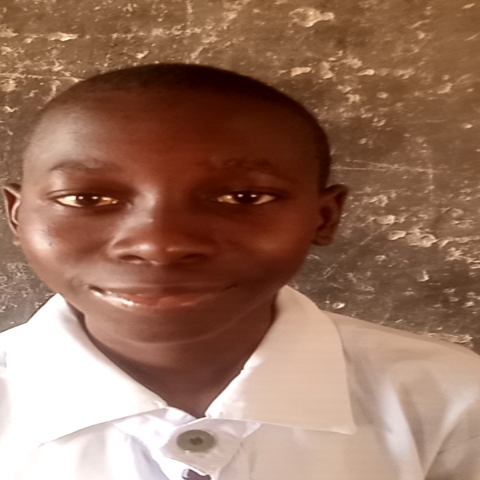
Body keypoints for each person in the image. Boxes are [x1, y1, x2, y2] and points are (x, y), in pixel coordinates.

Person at [1, 63, 479, 480]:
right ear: (17, 216)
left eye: (243, 197)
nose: (159, 244)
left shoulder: (455, 400)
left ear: (324, 217)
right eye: (86, 198)